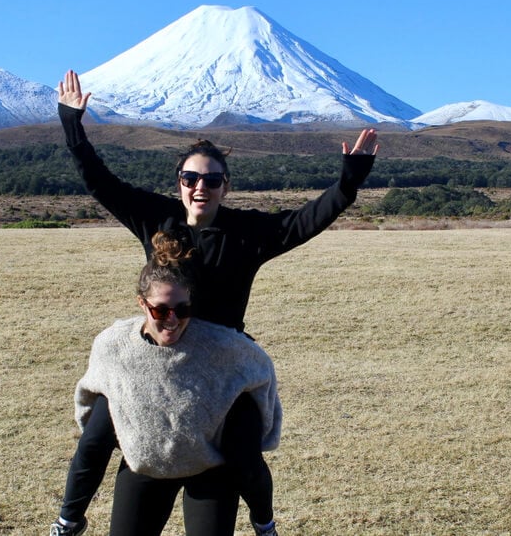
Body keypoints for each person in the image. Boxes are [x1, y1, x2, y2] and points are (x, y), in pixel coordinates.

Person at [50, 70, 378, 536]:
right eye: (190, 177)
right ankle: (68, 518)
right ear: (179, 181)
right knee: (100, 428)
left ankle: (264, 522)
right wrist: (72, 123)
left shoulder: (246, 233)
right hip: (157, 362)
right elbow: (99, 181)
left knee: (243, 455)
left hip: (221, 367)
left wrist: (349, 182)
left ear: (226, 186)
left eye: (212, 179)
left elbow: (306, 220)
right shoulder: (155, 219)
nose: (200, 186)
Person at [68, 230, 281, 536]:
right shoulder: (115, 346)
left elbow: (260, 369)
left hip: (210, 466)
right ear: (142, 304)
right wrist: (69, 517)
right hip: (148, 461)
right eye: (160, 310)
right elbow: (92, 435)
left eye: (182, 310)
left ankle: (266, 526)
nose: (171, 319)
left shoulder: (219, 346)